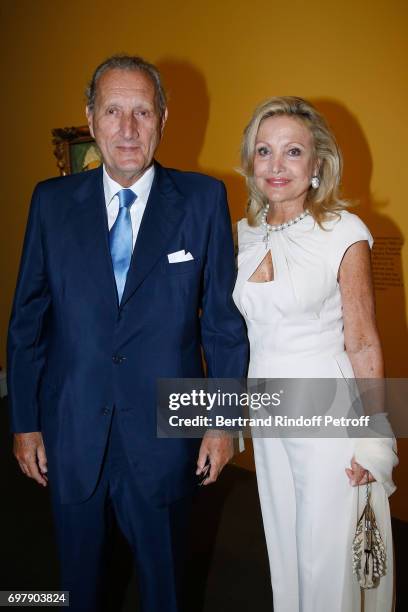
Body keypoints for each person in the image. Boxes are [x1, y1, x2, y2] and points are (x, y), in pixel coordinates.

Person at [8, 54, 248, 612]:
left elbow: (222, 324)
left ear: (163, 117)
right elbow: (27, 323)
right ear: (90, 119)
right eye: (113, 111)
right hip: (70, 434)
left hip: (165, 440)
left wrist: (221, 426)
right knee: (79, 590)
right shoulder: (49, 203)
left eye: (143, 111)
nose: (128, 128)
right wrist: (24, 423)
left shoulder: (202, 199)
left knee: (165, 588)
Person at [233, 97, 398, 612]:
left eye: (293, 151)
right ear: (250, 161)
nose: (276, 166)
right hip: (267, 413)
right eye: (264, 151)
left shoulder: (343, 233)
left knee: (324, 558)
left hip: (326, 414)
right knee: (284, 549)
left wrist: (375, 434)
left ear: (318, 164)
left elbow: (364, 340)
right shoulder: (243, 234)